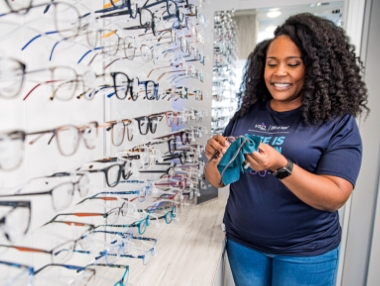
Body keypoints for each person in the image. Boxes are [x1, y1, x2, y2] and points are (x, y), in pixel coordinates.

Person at [204, 13, 369, 286]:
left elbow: (335, 196)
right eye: (272, 63)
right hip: (243, 243)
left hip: (305, 252)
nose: (279, 72)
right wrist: (215, 157)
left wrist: (281, 166)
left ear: (315, 67)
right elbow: (218, 179)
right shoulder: (246, 115)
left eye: (293, 64)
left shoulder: (337, 122)